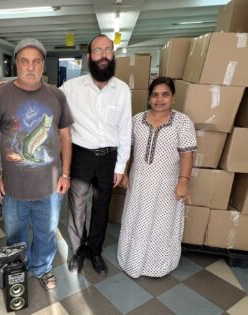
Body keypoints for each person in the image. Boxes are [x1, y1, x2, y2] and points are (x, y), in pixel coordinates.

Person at [0, 38, 73, 291]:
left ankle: (42, 269)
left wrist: (66, 173)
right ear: (16, 64)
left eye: (36, 61)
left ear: (43, 64)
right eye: (25, 61)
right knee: (15, 235)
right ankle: (17, 270)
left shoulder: (57, 95)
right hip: (14, 187)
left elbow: (65, 136)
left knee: (47, 233)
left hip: (50, 187)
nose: (30, 67)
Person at [59, 34, 132, 276]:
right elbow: (47, 100)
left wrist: (120, 167)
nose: (103, 54)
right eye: (97, 50)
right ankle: (78, 250)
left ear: (113, 55)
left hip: (109, 159)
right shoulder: (71, 88)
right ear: (89, 57)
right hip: (81, 156)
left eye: (108, 50)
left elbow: (125, 130)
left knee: (102, 207)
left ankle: (95, 251)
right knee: (77, 206)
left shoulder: (122, 90)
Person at [117, 76, 197, 278]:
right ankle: (132, 259)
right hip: (139, 182)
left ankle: (157, 264)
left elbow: (187, 153)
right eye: (155, 95)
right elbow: (127, 149)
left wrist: (183, 182)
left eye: (165, 95)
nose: (159, 99)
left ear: (173, 97)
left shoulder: (182, 122)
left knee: (161, 224)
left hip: (167, 185)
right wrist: (124, 172)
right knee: (137, 221)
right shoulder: (137, 120)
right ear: (149, 98)